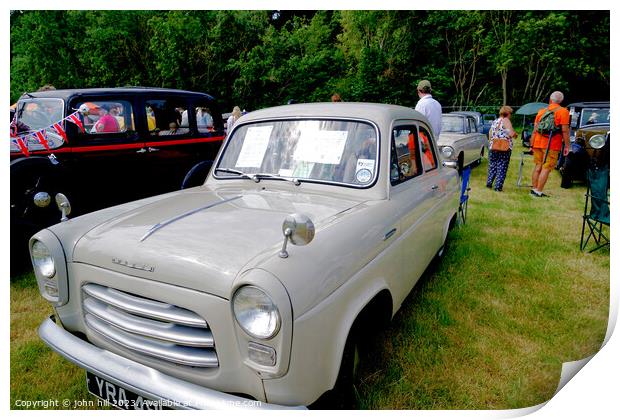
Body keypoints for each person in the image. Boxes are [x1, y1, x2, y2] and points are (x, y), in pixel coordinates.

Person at [530, 91, 570, 197]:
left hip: (538, 142)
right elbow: (565, 131)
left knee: (538, 165)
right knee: (547, 167)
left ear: (550, 100)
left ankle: (534, 189)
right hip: (552, 144)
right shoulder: (563, 112)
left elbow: (535, 129)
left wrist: (531, 143)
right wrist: (567, 145)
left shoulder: (541, 111)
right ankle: (538, 191)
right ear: (561, 101)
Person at [486, 106, 518, 192]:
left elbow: (490, 133)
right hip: (504, 147)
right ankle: (498, 187)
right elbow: (511, 134)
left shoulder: (495, 121)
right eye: (510, 113)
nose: (511, 115)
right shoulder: (506, 120)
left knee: (492, 165)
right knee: (502, 166)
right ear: (508, 113)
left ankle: (489, 183)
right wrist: (515, 134)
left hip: (493, 146)